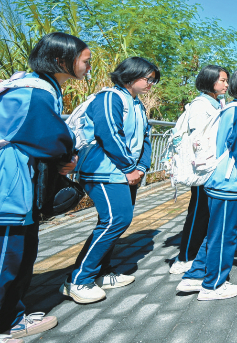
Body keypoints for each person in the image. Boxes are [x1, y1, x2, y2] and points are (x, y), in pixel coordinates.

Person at [0, 32, 88, 341]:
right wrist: (70, 153)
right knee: (9, 257)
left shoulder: (31, 85)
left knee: (19, 253)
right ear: (61, 60)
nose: (88, 66)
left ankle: (12, 315)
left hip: (17, 184)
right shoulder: (34, 93)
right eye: (85, 60)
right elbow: (52, 138)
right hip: (11, 187)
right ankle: (6, 323)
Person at [61, 57, 158, 304]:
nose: (151, 84)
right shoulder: (110, 98)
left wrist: (141, 168)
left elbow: (146, 137)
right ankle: (78, 279)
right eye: (147, 78)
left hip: (125, 173)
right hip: (102, 171)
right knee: (116, 220)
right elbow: (109, 134)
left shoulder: (136, 104)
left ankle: (101, 272)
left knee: (114, 221)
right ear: (129, 75)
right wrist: (129, 167)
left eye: (153, 80)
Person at [176, 69, 237, 301]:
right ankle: (214, 285)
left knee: (214, 233)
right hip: (226, 182)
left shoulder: (228, 108)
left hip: (216, 180)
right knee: (225, 236)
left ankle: (195, 275)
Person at [169, 65, 229, 275]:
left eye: (226, 80)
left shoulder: (216, 103)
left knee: (204, 211)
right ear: (210, 81)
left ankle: (195, 254)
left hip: (211, 166)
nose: (226, 84)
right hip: (203, 168)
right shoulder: (200, 105)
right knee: (198, 211)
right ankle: (185, 257)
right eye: (222, 80)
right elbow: (199, 138)